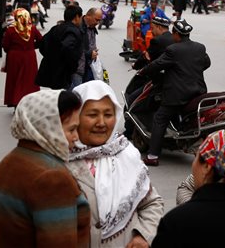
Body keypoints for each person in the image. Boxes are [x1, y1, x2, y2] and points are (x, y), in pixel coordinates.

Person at [67, 80, 165, 247]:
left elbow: (152, 203)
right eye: (92, 115)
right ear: (75, 118)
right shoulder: (60, 159)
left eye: (108, 114)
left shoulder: (127, 156)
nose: (101, 123)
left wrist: (143, 236)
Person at [0, 89, 90, 247]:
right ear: (49, 128)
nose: (76, 137)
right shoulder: (52, 178)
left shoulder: (8, 163)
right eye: (71, 129)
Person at [139, 19, 210, 166]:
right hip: (198, 92)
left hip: (178, 95)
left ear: (177, 34)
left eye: (173, 34)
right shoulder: (199, 47)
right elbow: (206, 63)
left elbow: (157, 64)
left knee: (160, 118)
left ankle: (152, 156)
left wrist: (142, 71)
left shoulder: (173, 49)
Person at [35, 5, 83, 90]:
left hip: (52, 71)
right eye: (80, 17)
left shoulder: (56, 28)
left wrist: (51, 57)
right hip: (64, 73)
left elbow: (42, 44)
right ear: (76, 17)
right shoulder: (73, 30)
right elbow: (67, 47)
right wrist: (71, 64)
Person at [2, 9, 42, 107]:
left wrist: (12, 50)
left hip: (14, 57)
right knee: (29, 79)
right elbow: (41, 41)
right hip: (29, 56)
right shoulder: (32, 29)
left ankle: (14, 101)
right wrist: (32, 47)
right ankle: (29, 101)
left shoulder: (11, 30)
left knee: (14, 79)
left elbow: (5, 45)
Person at [72, 8, 102, 86]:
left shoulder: (92, 27)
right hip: (77, 69)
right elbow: (74, 48)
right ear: (88, 16)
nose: (97, 23)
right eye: (96, 20)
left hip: (88, 66)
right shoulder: (78, 26)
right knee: (78, 94)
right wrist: (89, 54)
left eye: (99, 21)